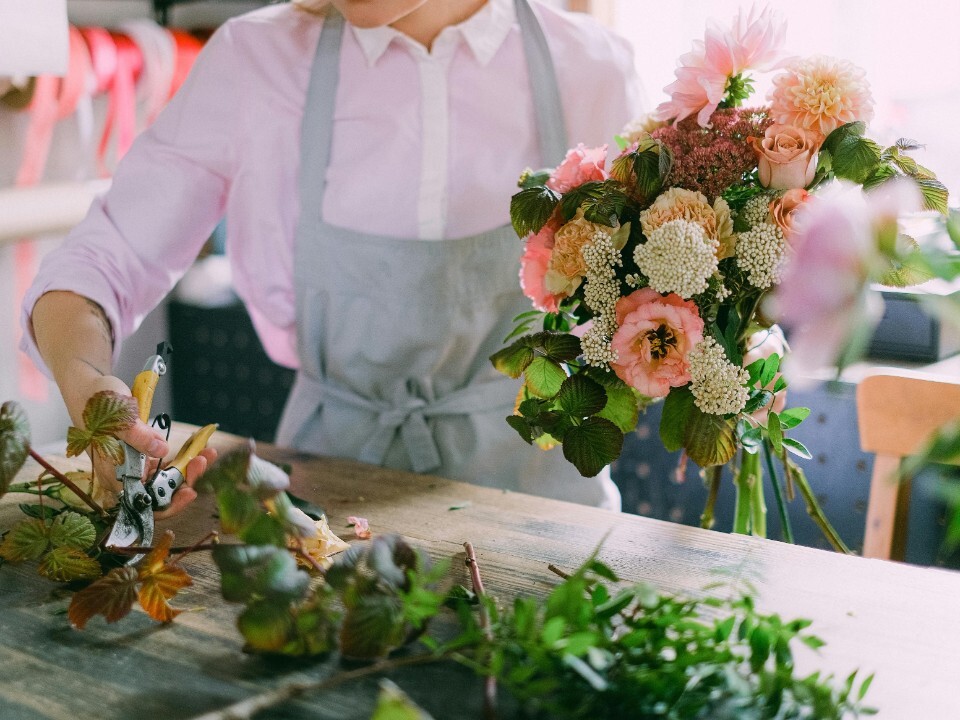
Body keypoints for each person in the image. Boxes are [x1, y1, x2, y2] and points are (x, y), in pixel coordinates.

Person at [23, 0, 642, 515]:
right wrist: (88, 384)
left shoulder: (594, 70)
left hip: (551, 522)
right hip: (327, 514)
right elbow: (100, 263)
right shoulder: (254, 62)